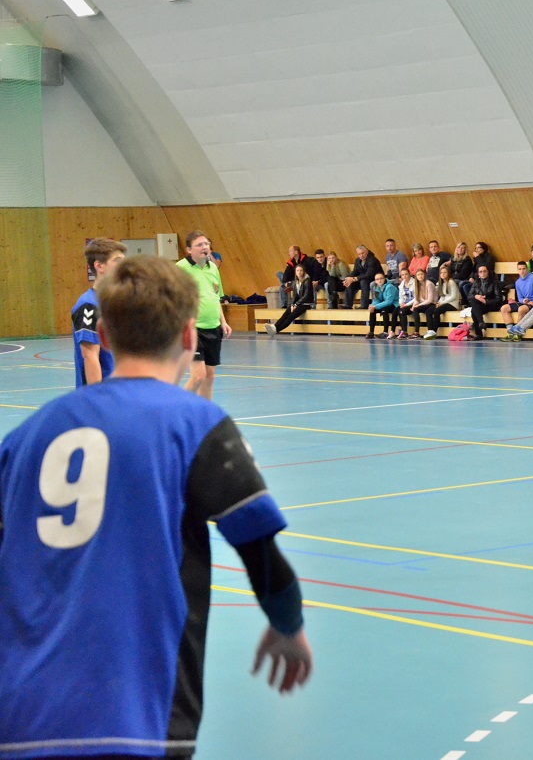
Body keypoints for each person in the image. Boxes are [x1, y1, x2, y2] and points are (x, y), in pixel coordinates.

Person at [0, 255, 312, 759]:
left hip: (19, 715)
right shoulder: (195, 425)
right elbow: (261, 554)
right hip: (139, 713)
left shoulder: (26, 436)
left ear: (102, 332)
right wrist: (288, 625)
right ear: (191, 335)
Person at [177, 231, 231, 401]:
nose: (204, 247)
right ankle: (177, 409)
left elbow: (215, 297)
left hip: (213, 327)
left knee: (209, 377)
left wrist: (223, 321)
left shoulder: (213, 268)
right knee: (198, 376)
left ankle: (204, 415)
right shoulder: (180, 269)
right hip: (191, 329)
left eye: (206, 244)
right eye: (199, 245)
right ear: (188, 250)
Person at [72, 238, 127, 389]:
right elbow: (90, 356)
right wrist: (98, 400)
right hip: (105, 394)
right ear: (99, 266)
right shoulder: (89, 305)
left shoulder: (117, 301)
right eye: (117, 261)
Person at [265, 264, 315, 336]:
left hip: (306, 304)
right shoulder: (295, 282)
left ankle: (276, 329)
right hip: (299, 303)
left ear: (304, 272)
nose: (299, 272)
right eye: (297, 270)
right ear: (295, 272)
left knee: (291, 316)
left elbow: (307, 296)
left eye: (301, 270)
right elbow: (295, 295)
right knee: (287, 312)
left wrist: (296, 304)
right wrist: (292, 305)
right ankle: (274, 326)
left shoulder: (307, 281)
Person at [501, 260, 533, 332]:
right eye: (520, 269)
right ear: (517, 270)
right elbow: (520, 297)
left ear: (527, 269)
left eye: (524, 269)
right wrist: (523, 300)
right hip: (524, 303)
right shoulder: (517, 282)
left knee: (521, 309)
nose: (522, 271)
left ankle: (517, 332)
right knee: (504, 308)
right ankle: (510, 331)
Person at [469, 264, 505, 340]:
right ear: (478, 274)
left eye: (484, 271)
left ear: (488, 272)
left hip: (491, 304)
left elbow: (499, 299)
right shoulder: (476, 282)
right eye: (481, 272)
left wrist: (486, 301)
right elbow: (469, 296)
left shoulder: (494, 282)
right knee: (474, 306)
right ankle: (481, 322)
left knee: (474, 310)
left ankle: (479, 333)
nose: (483, 273)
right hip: (479, 305)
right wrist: (476, 296)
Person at [429, 263, 463, 338]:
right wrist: (439, 303)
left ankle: (434, 331)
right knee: (429, 310)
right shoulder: (442, 283)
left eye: (445, 272)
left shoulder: (451, 282)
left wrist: (442, 303)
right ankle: (430, 330)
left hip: (453, 304)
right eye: (441, 273)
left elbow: (453, 296)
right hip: (445, 302)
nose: (443, 274)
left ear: (448, 273)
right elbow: (443, 296)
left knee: (437, 311)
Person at [366, 272, 399, 340]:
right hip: (385, 303)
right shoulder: (377, 287)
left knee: (384, 310)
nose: (379, 280)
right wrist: (372, 306)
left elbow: (389, 301)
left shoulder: (390, 287)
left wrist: (376, 306)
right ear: (375, 281)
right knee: (373, 311)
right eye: (377, 279)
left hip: (395, 304)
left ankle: (385, 332)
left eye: (381, 278)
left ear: (384, 279)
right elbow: (377, 299)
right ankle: (371, 332)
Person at [393, 267, 418, 339]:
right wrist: (401, 303)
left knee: (402, 311)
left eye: (406, 274)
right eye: (402, 275)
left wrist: (406, 305)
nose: (404, 276)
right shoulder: (401, 285)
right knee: (395, 311)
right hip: (405, 304)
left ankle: (404, 331)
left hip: (413, 303)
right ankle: (392, 331)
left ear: (409, 274)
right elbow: (401, 296)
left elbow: (416, 297)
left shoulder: (414, 283)